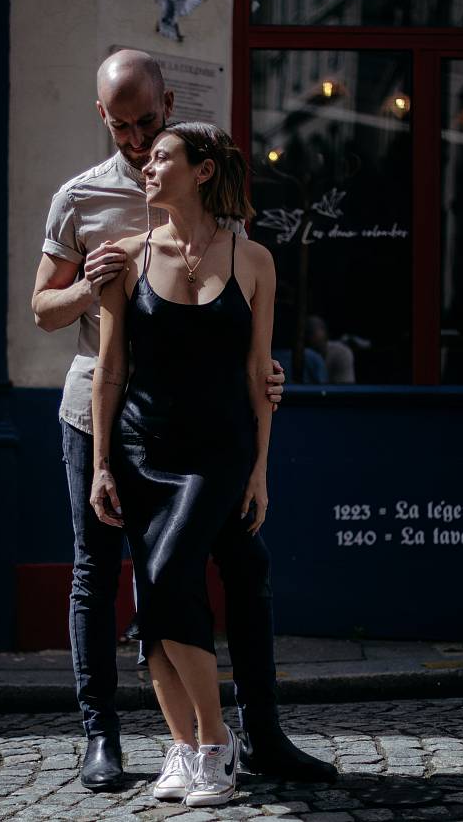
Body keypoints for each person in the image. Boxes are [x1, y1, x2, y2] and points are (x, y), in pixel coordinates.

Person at [30, 50, 336, 791]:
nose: (139, 142)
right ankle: (105, 737)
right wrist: (89, 289)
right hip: (105, 414)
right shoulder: (80, 198)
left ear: (167, 106)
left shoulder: (216, 205)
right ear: (102, 118)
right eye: (124, 127)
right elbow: (43, 308)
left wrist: (258, 371)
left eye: (149, 124)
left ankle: (257, 734)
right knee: (100, 575)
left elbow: (237, 301)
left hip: (205, 424)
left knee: (243, 570)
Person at [89, 122, 276, 806]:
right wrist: (102, 464)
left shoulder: (252, 258)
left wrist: (259, 470)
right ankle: (184, 748)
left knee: (167, 576)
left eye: (162, 155)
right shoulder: (126, 257)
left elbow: (260, 373)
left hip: (219, 452)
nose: (147, 165)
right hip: (144, 449)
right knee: (157, 595)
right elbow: (109, 372)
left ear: (200, 171)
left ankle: (215, 742)